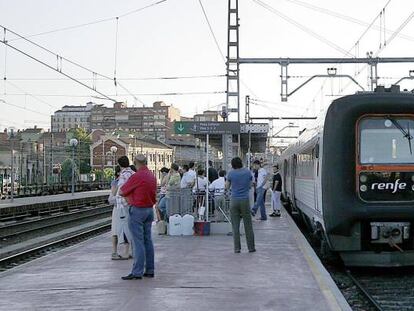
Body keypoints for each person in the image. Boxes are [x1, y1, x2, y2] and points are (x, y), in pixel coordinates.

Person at [120, 154, 157, 280]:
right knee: (148, 240)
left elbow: (122, 191)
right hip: (149, 210)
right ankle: (150, 270)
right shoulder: (152, 176)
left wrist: (130, 199)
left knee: (138, 242)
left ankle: (137, 271)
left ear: (135, 162)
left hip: (137, 211)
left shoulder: (137, 176)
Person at [226, 157, 255, 253]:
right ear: (241, 163)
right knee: (248, 225)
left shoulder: (231, 173)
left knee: (235, 226)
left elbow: (227, 186)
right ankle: (251, 248)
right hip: (244, 200)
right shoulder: (247, 172)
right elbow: (251, 185)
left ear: (233, 164)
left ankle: (237, 248)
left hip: (234, 200)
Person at [114, 156, 134, 260]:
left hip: (123, 205)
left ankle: (126, 252)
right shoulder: (133, 173)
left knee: (125, 228)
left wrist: (123, 200)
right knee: (131, 227)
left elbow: (122, 190)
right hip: (131, 204)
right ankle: (132, 251)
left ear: (120, 164)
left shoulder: (124, 175)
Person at [109, 165, 122, 259]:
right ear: (118, 173)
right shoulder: (115, 182)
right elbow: (111, 197)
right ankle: (114, 252)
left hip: (123, 207)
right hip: (117, 208)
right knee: (115, 230)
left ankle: (127, 251)